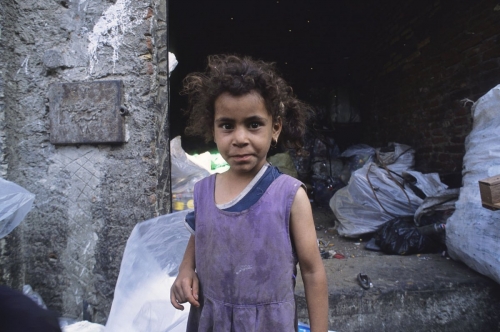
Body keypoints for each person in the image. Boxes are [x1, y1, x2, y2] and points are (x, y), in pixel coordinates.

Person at [170, 54, 328, 332]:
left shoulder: (289, 195)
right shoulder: (204, 190)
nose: (240, 138)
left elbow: (313, 272)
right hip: (212, 320)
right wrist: (185, 271)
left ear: (275, 128)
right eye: (227, 125)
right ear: (213, 130)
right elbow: (201, 233)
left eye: (254, 124)